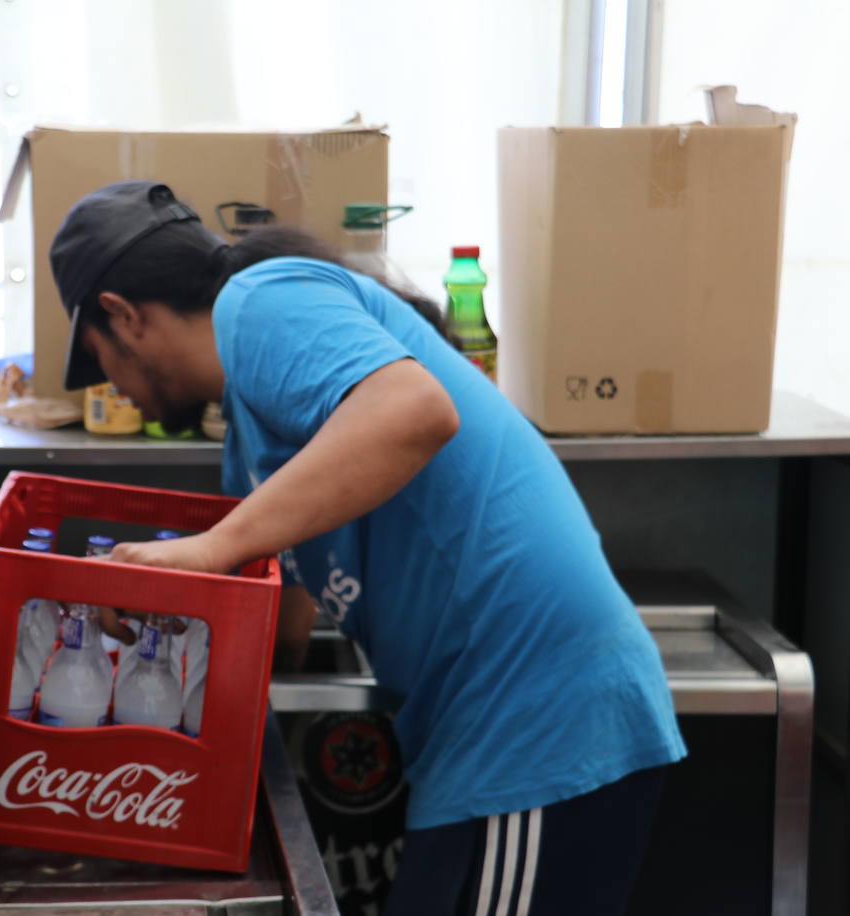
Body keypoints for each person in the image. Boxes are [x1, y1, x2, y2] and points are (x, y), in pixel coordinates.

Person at [49, 180, 686, 915]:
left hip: (537, 716)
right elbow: (278, 627)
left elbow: (415, 412)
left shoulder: (259, 301)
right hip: (473, 734)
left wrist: (211, 548)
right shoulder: (250, 438)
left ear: (123, 316)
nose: (115, 391)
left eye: (101, 363)